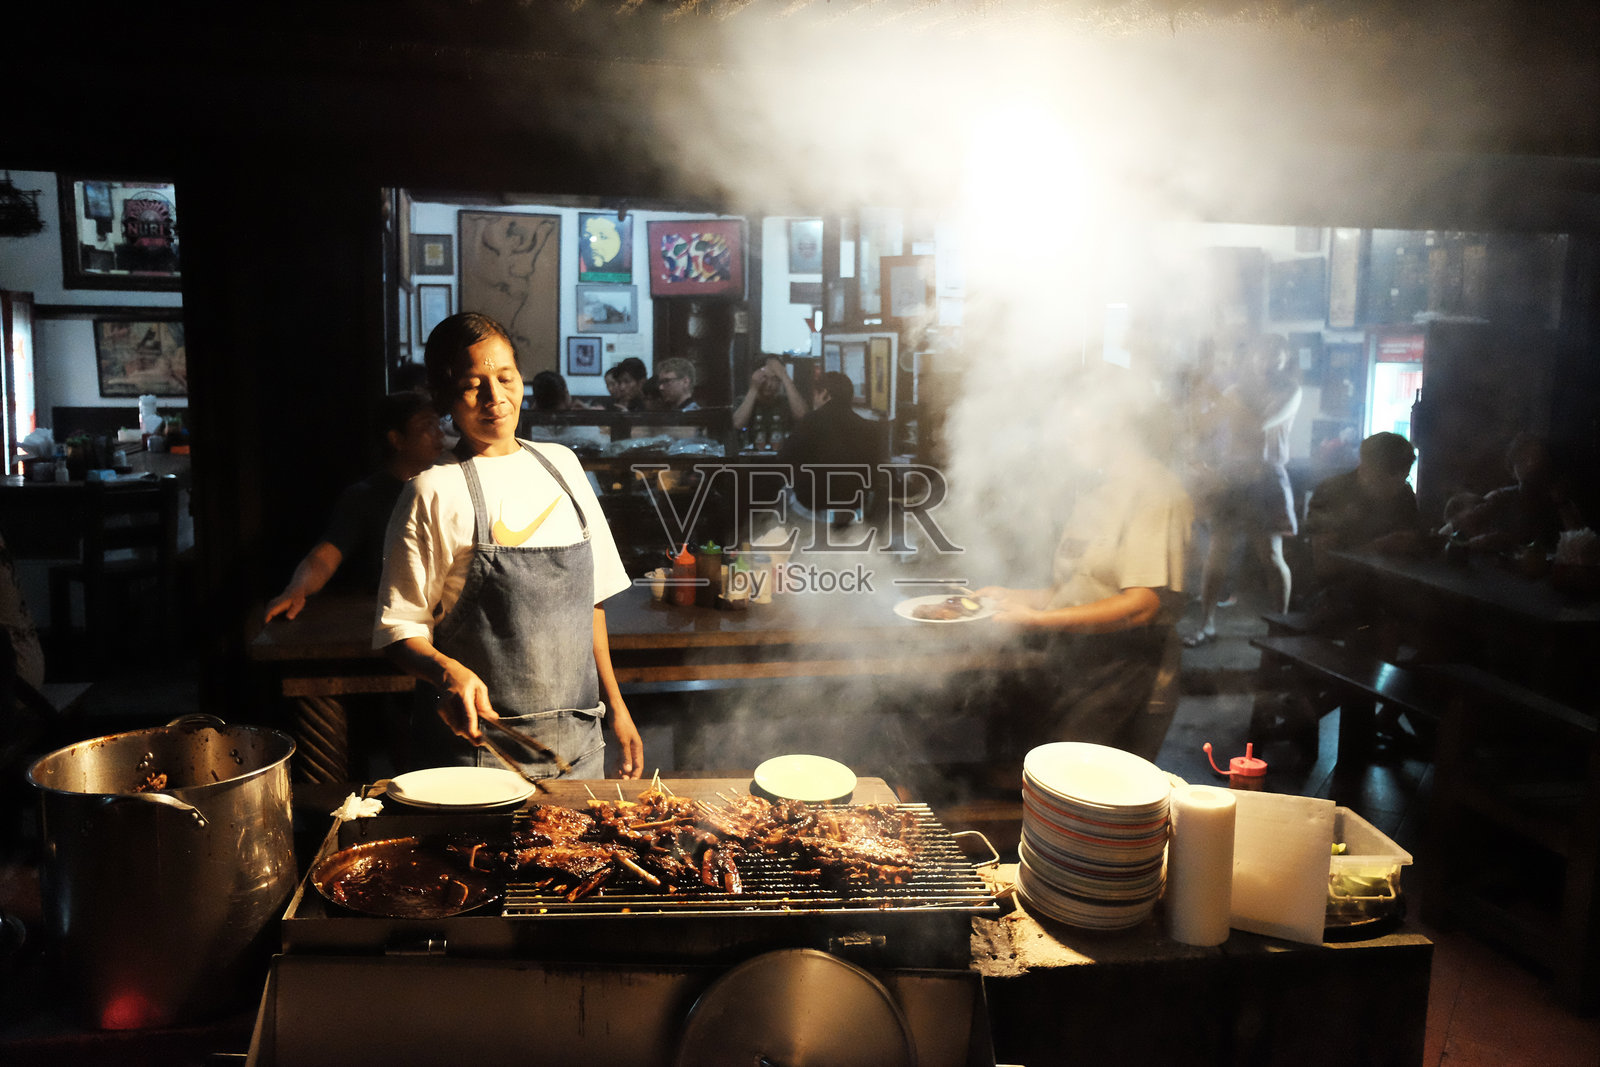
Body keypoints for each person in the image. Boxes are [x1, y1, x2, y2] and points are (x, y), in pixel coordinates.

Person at [375, 312, 642, 780]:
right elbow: (397, 631)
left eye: (505, 377)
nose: (495, 398)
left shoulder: (563, 467)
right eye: (472, 384)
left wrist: (616, 706)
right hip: (478, 758)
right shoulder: (433, 491)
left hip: (581, 749)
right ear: (444, 397)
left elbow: (591, 605)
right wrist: (445, 672)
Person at [976, 368, 1194, 763]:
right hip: (1078, 662)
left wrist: (1035, 620)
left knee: (1086, 800)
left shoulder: (1156, 493)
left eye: (1075, 429)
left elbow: (1142, 605)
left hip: (1128, 672)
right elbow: (1079, 590)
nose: (1065, 441)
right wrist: (1013, 598)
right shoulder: (1096, 491)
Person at [264, 391, 444, 622]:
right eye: (427, 426)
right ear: (396, 439)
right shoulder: (365, 497)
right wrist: (296, 589)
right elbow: (325, 555)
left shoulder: (445, 488)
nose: (439, 434)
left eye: (439, 424)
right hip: (386, 623)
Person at [1184, 334, 1302, 646]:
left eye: (1274, 354)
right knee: (1218, 553)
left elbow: (1261, 421)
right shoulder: (1236, 391)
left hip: (1265, 479)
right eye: (1262, 353)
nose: (1267, 360)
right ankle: (1206, 624)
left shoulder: (1290, 390)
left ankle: (1280, 627)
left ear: (1284, 358)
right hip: (1232, 478)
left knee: (1271, 556)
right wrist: (1199, 393)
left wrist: (1221, 395)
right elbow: (1206, 424)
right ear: (1252, 357)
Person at [776, 371, 888, 521]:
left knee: (783, 493)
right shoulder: (869, 428)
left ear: (825, 394)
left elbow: (783, 461)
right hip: (852, 509)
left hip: (812, 506)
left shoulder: (809, 422)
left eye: (816, 394)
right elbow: (874, 477)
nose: (814, 400)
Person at [1449, 433, 1584, 553]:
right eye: (1523, 460)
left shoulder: (1559, 501)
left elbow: (1581, 544)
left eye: (1537, 458)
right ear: (1513, 471)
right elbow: (1459, 525)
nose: (1531, 464)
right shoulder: (1501, 497)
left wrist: (1561, 504)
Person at [732, 355, 808, 450]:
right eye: (765, 378)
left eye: (775, 379)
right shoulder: (744, 400)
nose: (770, 384)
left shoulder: (785, 402)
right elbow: (738, 424)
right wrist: (754, 388)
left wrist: (785, 377)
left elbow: (803, 417)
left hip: (781, 460)